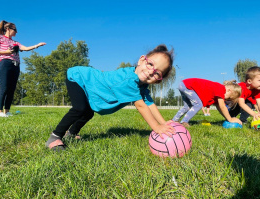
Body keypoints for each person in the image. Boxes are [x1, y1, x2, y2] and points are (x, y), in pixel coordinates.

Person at [46, 44, 176, 151]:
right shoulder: (129, 80)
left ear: (158, 80)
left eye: (157, 73)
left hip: (86, 81)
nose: (151, 71)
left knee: (88, 112)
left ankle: (72, 134)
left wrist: (163, 123)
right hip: (80, 77)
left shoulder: (141, 86)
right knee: (80, 109)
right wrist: (156, 127)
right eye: (151, 64)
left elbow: (150, 104)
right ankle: (54, 137)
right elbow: (141, 106)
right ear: (142, 60)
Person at [0, 20, 46, 117]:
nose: (16, 32)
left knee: (11, 89)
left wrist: (37, 45)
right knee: (4, 88)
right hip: (5, 63)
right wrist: (6, 52)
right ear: (8, 29)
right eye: (15, 29)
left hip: (15, 65)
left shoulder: (15, 42)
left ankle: (7, 111)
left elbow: (25, 48)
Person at [172, 78, 242, 127]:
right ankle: (184, 122)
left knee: (187, 106)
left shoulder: (218, 90)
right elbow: (223, 107)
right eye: (229, 98)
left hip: (183, 84)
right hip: (187, 85)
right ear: (229, 90)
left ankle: (174, 120)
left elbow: (220, 108)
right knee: (198, 104)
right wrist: (230, 119)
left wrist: (227, 118)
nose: (226, 99)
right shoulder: (221, 89)